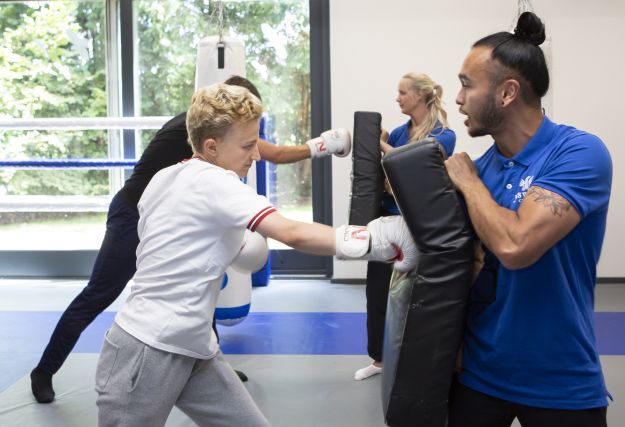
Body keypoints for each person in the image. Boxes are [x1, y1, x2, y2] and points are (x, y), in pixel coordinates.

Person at [94, 83, 418, 426]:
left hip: (195, 346)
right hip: (147, 349)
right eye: (248, 145)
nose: (257, 155)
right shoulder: (217, 182)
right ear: (211, 146)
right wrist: (376, 239)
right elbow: (291, 233)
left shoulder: (164, 177)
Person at [29, 75, 351, 404]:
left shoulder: (218, 141)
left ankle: (210, 367)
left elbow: (268, 152)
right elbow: (276, 157)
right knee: (99, 293)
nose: (251, 149)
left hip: (170, 213)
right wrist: (323, 146)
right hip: (132, 213)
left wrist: (321, 145)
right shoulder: (198, 129)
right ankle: (44, 370)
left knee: (203, 282)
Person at [444, 12, 611, 427]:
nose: (458, 99)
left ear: (507, 93)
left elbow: (515, 246)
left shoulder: (579, 153)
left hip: (562, 382)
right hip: (479, 375)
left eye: (467, 85)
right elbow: (465, 267)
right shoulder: (483, 168)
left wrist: (468, 183)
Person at [354, 72, 456, 381]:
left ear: (420, 96)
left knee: (415, 297)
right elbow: (389, 173)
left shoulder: (444, 135)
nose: (397, 98)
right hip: (389, 221)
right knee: (377, 293)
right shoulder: (399, 133)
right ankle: (379, 360)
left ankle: (415, 362)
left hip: (420, 226)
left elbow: (418, 162)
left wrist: (382, 146)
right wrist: (378, 147)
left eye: (402, 93)